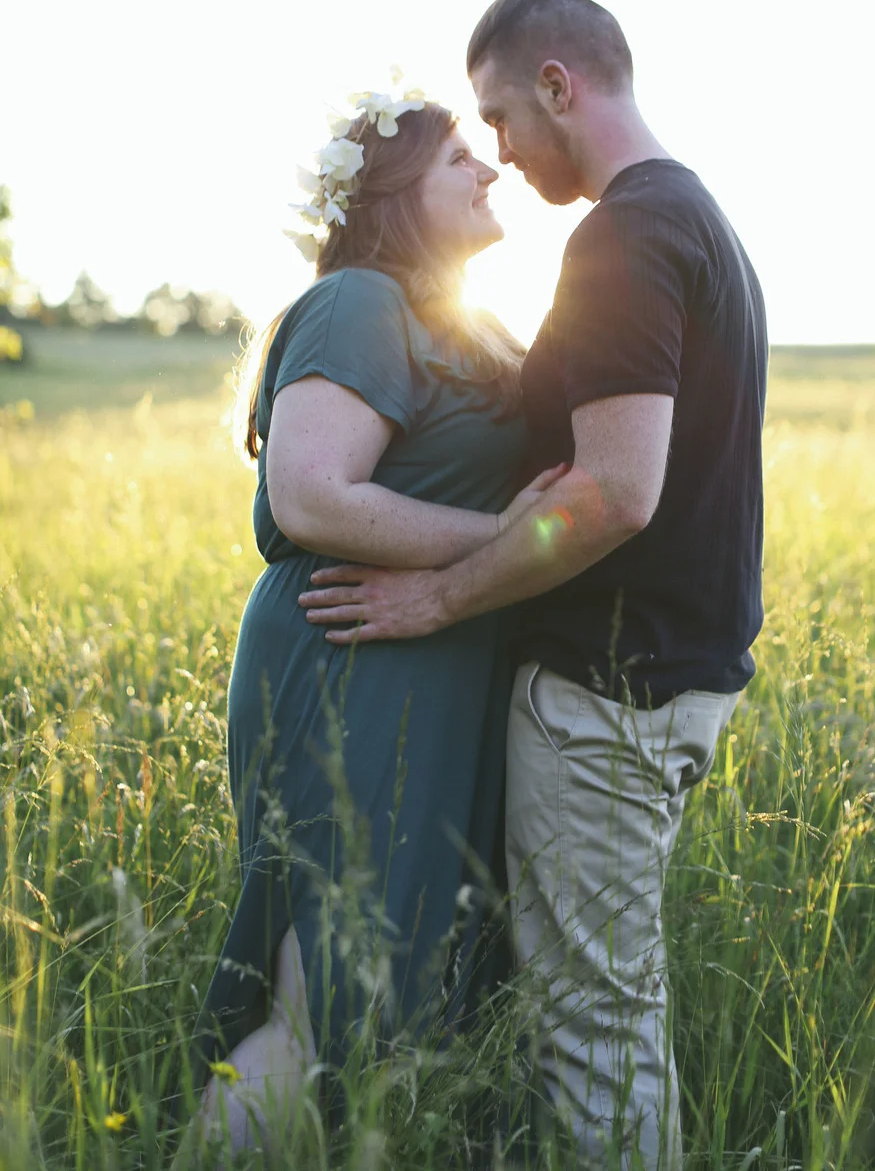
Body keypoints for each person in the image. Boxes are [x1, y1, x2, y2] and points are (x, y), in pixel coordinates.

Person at [300, 0, 769, 1168]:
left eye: (501, 116)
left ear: (558, 86)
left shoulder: (625, 236)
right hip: (669, 677)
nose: (500, 150)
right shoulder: (693, 215)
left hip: (609, 697)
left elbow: (615, 493)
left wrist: (443, 591)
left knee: (592, 1029)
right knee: (606, 1009)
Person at [177, 91, 563, 1162]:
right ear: (394, 194)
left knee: (404, 978)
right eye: (457, 159)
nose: (489, 171)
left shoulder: (465, 315)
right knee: (325, 983)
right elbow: (310, 497)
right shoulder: (358, 302)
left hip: (432, 661)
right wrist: (502, 534)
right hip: (355, 659)